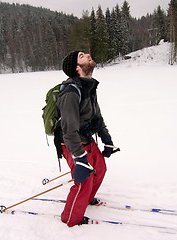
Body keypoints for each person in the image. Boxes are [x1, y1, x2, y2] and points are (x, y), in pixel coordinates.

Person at [55, 51, 116, 227]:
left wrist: (106, 137)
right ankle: (71, 218)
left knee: (100, 168)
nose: (88, 54)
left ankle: (86, 199)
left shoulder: (88, 87)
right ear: (77, 67)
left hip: (86, 138)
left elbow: (97, 116)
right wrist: (79, 159)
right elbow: (68, 130)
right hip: (71, 143)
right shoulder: (71, 92)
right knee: (83, 181)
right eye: (82, 55)